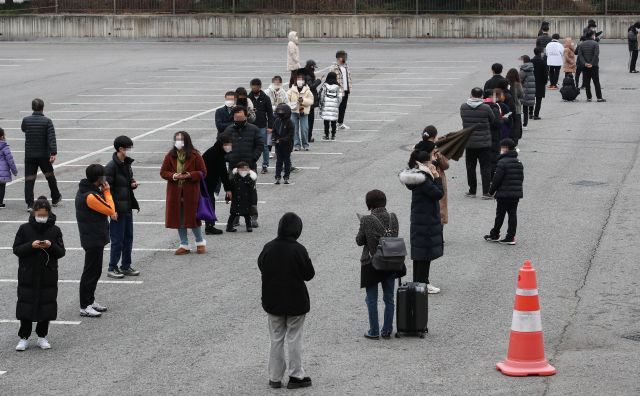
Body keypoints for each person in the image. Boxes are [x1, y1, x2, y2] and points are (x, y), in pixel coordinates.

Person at [258, 212, 314, 390]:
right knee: (294, 338)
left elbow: (261, 265)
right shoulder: (298, 249)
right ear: (297, 230)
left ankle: (274, 376)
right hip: (296, 301)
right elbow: (309, 274)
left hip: (273, 300)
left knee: (276, 338)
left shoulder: (268, 247)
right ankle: (296, 375)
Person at [13, 196, 65, 351]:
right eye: (39, 214)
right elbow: (16, 249)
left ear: (49, 213)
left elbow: (61, 252)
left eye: (44, 215)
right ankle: (23, 337)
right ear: (34, 213)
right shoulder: (24, 229)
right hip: (27, 274)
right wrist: (31, 245)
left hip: (48, 274)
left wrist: (51, 245)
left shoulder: (55, 230)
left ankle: (42, 336)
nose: (41, 217)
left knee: (46, 306)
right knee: (25, 306)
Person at [356, 189, 404, 340]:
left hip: (371, 263)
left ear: (369, 204)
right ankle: (387, 330)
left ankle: (374, 330)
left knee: (371, 298)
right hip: (391, 261)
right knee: (388, 298)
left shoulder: (366, 220)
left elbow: (359, 241)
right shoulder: (393, 217)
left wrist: (364, 227)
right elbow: (393, 236)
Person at [399, 151, 444, 294]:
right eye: (431, 161)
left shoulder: (416, 176)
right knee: (425, 253)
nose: (432, 163)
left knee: (420, 253)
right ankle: (423, 283)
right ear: (425, 163)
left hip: (420, 219)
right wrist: (437, 176)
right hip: (426, 220)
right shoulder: (424, 178)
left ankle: (419, 282)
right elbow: (438, 194)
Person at [75, 164, 115, 318]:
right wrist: (107, 192)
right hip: (92, 238)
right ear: (98, 179)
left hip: (94, 236)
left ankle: (90, 301)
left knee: (95, 271)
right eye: (103, 177)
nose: (105, 179)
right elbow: (110, 210)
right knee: (90, 272)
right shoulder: (90, 196)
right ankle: (84, 306)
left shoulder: (89, 190)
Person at [160, 131, 207, 255]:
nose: (178, 141)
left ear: (187, 141)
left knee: (193, 219)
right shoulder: (170, 155)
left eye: (181, 139)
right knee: (179, 219)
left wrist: (189, 175)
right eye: (176, 139)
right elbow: (163, 172)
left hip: (191, 192)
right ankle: (184, 244)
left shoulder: (195, 155)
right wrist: (174, 175)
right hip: (174, 193)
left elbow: (203, 172)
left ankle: (200, 242)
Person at [220, 106, 264, 228]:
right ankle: (235, 216)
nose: (238, 120)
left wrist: (253, 158)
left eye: (240, 117)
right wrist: (229, 158)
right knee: (234, 191)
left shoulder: (254, 129)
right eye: (236, 118)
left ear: (246, 116)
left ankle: (253, 217)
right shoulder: (228, 130)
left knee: (251, 191)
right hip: (233, 166)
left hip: (249, 166)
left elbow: (260, 145)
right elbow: (223, 146)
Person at [105, 136, 140, 279]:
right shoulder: (111, 167)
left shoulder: (126, 163)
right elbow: (107, 190)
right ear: (120, 149)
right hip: (117, 210)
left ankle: (125, 266)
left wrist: (132, 183)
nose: (130, 150)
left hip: (127, 207)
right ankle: (112, 267)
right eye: (128, 148)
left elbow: (128, 180)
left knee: (128, 238)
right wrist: (112, 210)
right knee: (117, 240)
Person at [22, 98, 61, 212]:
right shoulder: (47, 121)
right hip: (43, 155)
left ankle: (30, 204)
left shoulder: (26, 120)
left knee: (29, 179)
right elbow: (51, 138)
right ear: (43, 108)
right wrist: (53, 152)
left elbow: (24, 129)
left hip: (30, 155)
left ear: (32, 108)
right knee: (50, 176)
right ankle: (55, 197)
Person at [484, 138, 524, 246]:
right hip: (515, 194)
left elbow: (497, 179)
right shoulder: (519, 162)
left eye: (502, 147)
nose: (501, 149)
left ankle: (495, 234)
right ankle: (510, 236)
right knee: (512, 215)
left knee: (500, 215)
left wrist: (491, 192)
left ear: (506, 148)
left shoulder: (502, 162)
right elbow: (521, 178)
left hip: (503, 194)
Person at [460, 87, 496, 199]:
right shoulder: (486, 108)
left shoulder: (463, 107)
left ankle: (472, 190)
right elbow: (493, 120)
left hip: (469, 142)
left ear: (471, 94)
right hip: (484, 142)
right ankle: (486, 192)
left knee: (470, 167)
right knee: (485, 167)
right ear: (481, 96)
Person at [415, 126, 449, 225]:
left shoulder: (418, 147)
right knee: (440, 205)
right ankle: (439, 232)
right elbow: (445, 166)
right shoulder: (437, 149)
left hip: (421, 178)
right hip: (437, 177)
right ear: (434, 137)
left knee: (424, 204)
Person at [202, 135, 233, 235]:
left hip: (208, 183)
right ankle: (209, 227)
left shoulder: (218, 152)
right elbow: (223, 173)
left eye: (229, 144)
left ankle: (209, 225)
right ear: (221, 144)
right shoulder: (214, 154)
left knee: (209, 203)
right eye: (226, 144)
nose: (228, 146)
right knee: (209, 203)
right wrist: (228, 189)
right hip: (204, 183)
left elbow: (222, 173)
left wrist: (228, 189)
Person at [249, 79, 274, 174]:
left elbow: (270, 113)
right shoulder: (248, 98)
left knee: (264, 146)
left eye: (255, 87)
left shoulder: (265, 98)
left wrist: (270, 127)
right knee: (251, 146)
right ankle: (251, 164)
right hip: (250, 126)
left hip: (262, 126)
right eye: (252, 86)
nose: (253, 88)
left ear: (260, 87)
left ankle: (265, 165)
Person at [226, 162, 257, 233]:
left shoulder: (250, 179)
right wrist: (227, 198)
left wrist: (253, 201)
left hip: (246, 200)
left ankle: (248, 226)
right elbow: (230, 189)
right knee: (233, 214)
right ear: (238, 169)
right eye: (242, 169)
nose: (244, 170)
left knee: (247, 214)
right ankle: (229, 226)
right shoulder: (234, 178)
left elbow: (252, 191)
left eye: (246, 169)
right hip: (236, 199)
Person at [287, 71, 314, 151]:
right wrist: (291, 105)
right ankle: (296, 145)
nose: (300, 81)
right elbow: (286, 99)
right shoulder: (291, 90)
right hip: (294, 112)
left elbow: (311, 101)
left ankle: (305, 144)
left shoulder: (307, 90)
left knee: (304, 129)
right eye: (298, 79)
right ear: (295, 80)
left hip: (304, 112)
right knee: (294, 129)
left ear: (304, 81)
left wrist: (303, 100)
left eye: (301, 79)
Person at [578, 32, 606, 102]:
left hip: (585, 66)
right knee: (596, 82)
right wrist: (592, 63)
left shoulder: (581, 44)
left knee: (587, 82)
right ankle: (599, 97)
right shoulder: (595, 43)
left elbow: (580, 55)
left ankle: (589, 97)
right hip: (594, 66)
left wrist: (585, 63)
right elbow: (596, 54)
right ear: (592, 36)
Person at [272, 104, 295, 185]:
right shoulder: (277, 121)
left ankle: (286, 177)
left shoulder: (290, 123)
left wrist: (280, 140)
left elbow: (290, 136)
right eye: (279, 111)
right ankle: (277, 177)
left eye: (282, 111)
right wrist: (274, 138)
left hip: (287, 145)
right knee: (279, 161)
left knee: (287, 161)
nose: (280, 113)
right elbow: (274, 131)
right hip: (278, 145)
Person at [330, 50, 353, 130]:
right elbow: (331, 80)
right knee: (335, 107)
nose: (345, 59)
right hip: (338, 91)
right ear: (339, 58)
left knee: (343, 107)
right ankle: (332, 124)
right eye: (344, 57)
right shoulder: (334, 68)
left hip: (346, 90)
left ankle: (340, 123)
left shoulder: (346, 66)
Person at [482, 89, 503, 177]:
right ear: (491, 96)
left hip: (482, 137)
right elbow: (496, 123)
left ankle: (486, 176)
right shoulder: (494, 107)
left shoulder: (481, 106)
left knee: (485, 158)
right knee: (494, 157)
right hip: (493, 136)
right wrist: (503, 120)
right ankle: (491, 176)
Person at [318, 72, 343, 141]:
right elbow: (340, 97)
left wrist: (321, 103)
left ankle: (326, 135)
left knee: (326, 121)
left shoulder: (325, 86)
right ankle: (333, 135)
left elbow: (322, 95)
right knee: (333, 121)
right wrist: (337, 104)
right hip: (334, 105)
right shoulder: (338, 86)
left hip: (326, 105)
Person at [302, 60, 322, 143]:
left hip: (307, 100)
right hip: (309, 101)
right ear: (311, 67)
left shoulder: (305, 74)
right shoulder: (308, 76)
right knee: (309, 120)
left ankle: (307, 137)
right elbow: (311, 86)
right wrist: (318, 80)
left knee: (307, 120)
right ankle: (308, 137)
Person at [0, 127, 19, 208]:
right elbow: (10, 160)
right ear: (2, 136)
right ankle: (0, 202)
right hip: (2, 171)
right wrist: (14, 171)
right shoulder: (4, 147)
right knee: (1, 186)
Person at [505, 68, 524, 145]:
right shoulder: (517, 84)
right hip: (516, 106)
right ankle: (515, 139)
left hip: (508, 106)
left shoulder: (506, 83)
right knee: (517, 123)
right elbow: (521, 95)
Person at [519, 56, 537, 129]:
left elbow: (519, 80)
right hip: (530, 90)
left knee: (520, 108)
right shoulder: (531, 69)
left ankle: (522, 123)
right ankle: (525, 124)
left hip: (524, 90)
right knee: (526, 108)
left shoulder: (523, 70)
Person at [532, 47, 548, 120]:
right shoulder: (543, 62)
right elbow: (545, 74)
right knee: (538, 100)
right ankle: (536, 114)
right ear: (540, 53)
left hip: (531, 82)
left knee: (531, 99)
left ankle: (530, 113)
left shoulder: (531, 61)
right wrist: (545, 82)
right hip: (540, 83)